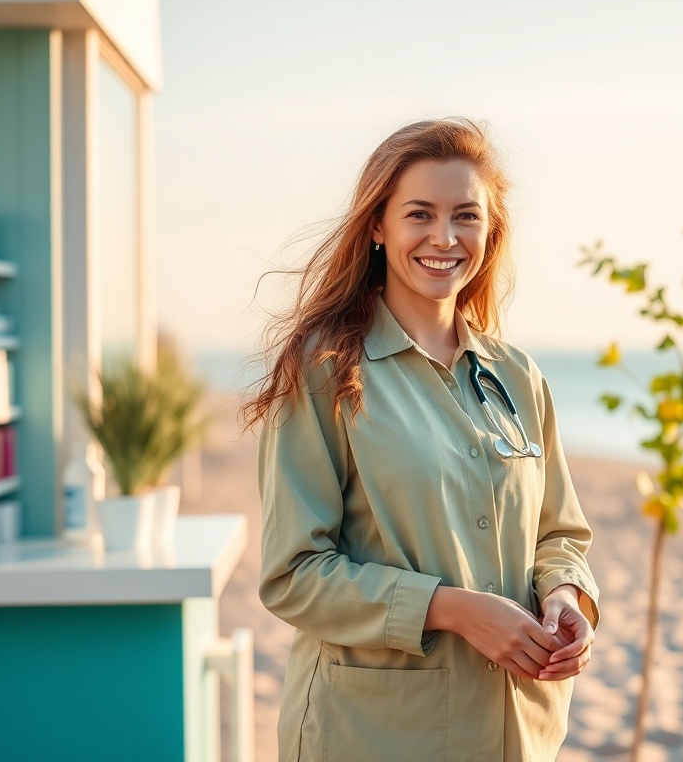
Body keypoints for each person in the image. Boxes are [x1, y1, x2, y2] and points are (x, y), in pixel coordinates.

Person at [244, 118, 600, 762]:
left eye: (466, 215)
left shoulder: (518, 374)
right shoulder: (325, 373)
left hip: (513, 732)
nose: (445, 237)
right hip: (374, 733)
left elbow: (560, 533)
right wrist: (453, 609)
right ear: (377, 226)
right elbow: (293, 575)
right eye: (420, 214)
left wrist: (565, 595)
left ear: (490, 232)